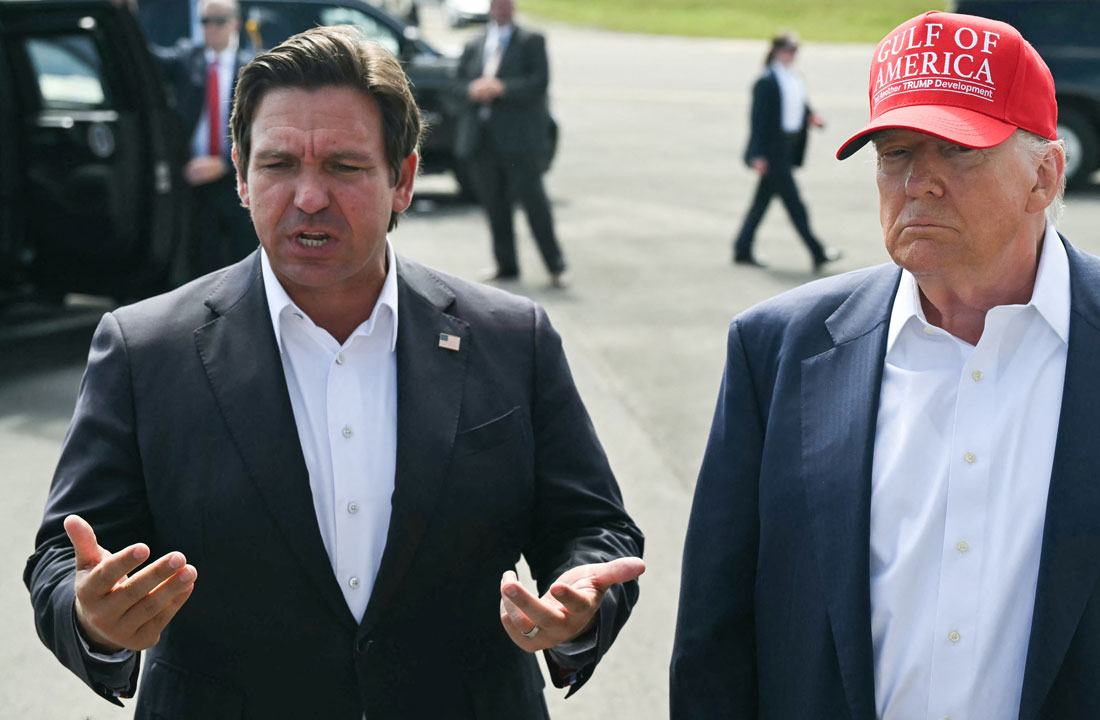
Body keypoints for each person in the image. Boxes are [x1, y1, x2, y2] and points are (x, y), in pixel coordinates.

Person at [25, 25, 644, 718]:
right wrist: (92, 619)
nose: (309, 196)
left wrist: (582, 601)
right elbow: (63, 560)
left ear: (402, 178)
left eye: (344, 167)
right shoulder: (145, 350)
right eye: (279, 164)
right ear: (241, 175)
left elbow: (592, 529)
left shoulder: (510, 339)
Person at [671, 11, 1100, 720]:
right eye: (896, 151)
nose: (918, 182)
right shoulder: (776, 352)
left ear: (1044, 176)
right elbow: (714, 645)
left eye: (957, 151)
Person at [452, 0, 567, 287]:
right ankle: (506, 265)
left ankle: (555, 265)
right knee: (495, 205)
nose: (501, 8)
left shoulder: (531, 41)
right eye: (497, 4)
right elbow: (456, 84)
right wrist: (472, 89)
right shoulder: (475, 43)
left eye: (506, 4)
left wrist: (502, 88)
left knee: (534, 204)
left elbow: (539, 82)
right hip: (482, 139)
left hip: (519, 141)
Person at [152, 0, 259, 277]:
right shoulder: (188, 58)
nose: (211, 28)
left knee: (243, 256)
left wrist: (224, 162)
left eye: (219, 21)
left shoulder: (253, 67)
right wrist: (123, 12)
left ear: (235, 23)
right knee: (200, 260)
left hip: (238, 175)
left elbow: (260, 128)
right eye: (205, 22)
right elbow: (146, 60)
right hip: (194, 178)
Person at [733, 32, 841, 272]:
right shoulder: (766, 81)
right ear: (776, 51)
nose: (792, 55)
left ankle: (742, 249)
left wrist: (811, 116)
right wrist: (756, 155)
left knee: (761, 203)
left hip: (789, 147)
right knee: (795, 204)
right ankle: (817, 251)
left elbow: (798, 104)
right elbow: (758, 121)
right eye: (788, 50)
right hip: (773, 151)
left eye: (795, 50)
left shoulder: (793, 77)